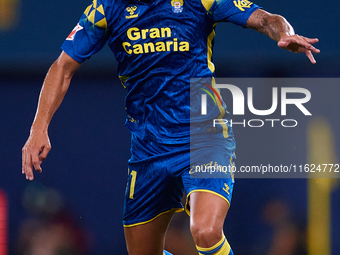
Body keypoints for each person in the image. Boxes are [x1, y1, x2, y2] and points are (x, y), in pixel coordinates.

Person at [22, 0, 319, 254]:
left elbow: (266, 19)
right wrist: (39, 128)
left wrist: (285, 33)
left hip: (205, 134)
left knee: (205, 231)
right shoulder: (106, 9)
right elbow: (62, 67)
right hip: (149, 148)